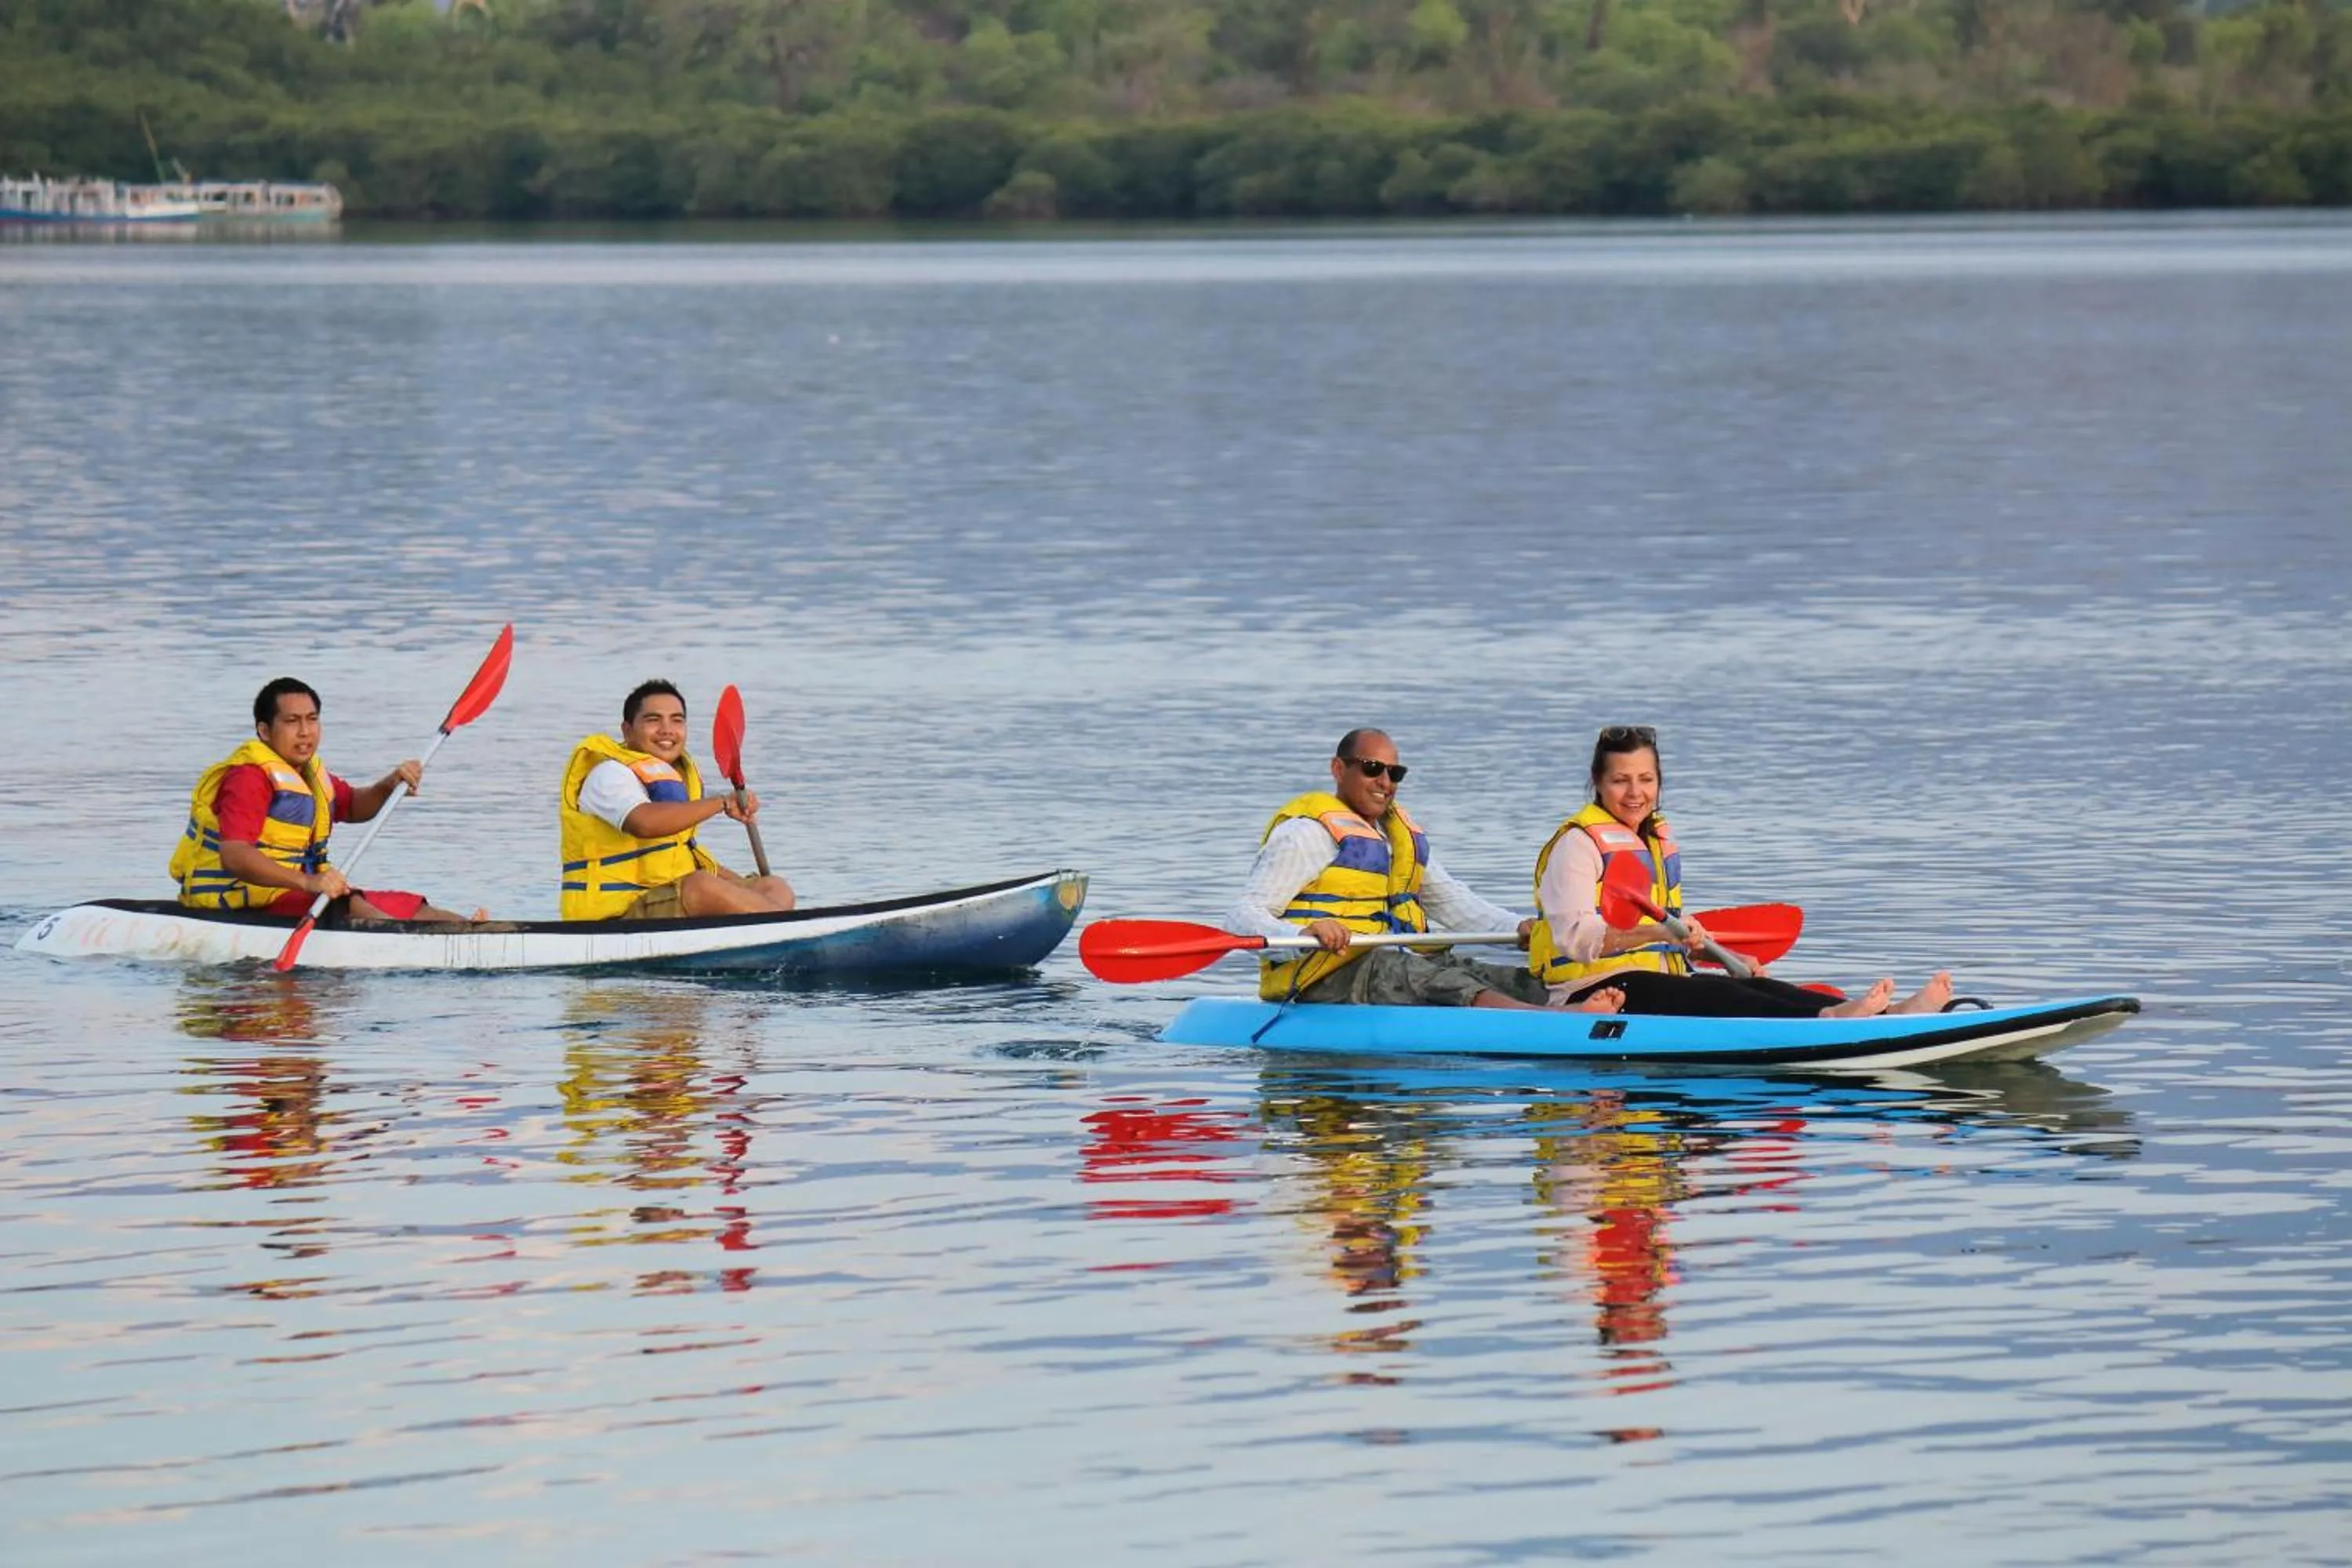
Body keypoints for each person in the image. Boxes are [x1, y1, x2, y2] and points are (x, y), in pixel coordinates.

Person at [1530, 725, 1953, 1018]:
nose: (1636, 793)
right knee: (1714, 992)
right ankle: (1829, 1018)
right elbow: (1577, 940)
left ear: (1659, 782)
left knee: (1756, 984)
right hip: (1592, 990)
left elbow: (1661, 940)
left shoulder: (1653, 840)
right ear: (1598, 783)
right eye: (1621, 780)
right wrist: (1661, 933)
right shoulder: (1577, 846)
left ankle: (1887, 1013)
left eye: (1646, 779)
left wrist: (1704, 951)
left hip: (1657, 978)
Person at [1221, 728, 1622, 1012]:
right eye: (1371, 768)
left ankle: (1565, 1004)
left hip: (1388, 961)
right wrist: (1303, 932)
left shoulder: (1396, 838)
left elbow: (1448, 899)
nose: (1385, 781)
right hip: (1320, 980)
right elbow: (1242, 914)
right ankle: (1548, 1022)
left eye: (1394, 773)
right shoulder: (1305, 835)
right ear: (1338, 769)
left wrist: (1517, 927)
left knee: (1481, 972)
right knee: (1431, 976)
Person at [169, 677, 478, 923]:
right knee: (353, 906)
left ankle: (472, 930)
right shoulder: (249, 778)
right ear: (264, 731)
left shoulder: (310, 773)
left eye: (312, 719)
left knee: (413, 909)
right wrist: (310, 884)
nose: (305, 732)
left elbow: (355, 806)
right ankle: (410, 944)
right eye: (292, 721)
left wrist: (389, 785)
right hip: (240, 900)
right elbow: (234, 856)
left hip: (294, 895)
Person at [558, 680, 797, 920]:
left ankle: (773, 926)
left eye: (677, 720)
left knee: (774, 887)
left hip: (662, 899)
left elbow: (681, 853)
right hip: (612, 916)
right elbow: (645, 823)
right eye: (653, 720)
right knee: (700, 886)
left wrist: (744, 888)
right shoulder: (609, 774)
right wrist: (722, 803)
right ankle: (785, 929)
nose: (667, 729)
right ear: (627, 730)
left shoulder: (678, 776)